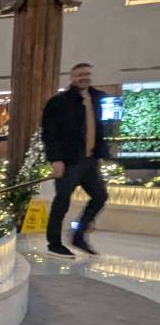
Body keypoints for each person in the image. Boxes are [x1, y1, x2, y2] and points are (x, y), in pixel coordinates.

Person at [41, 61, 110, 257]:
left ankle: (79, 235)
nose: (83, 78)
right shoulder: (58, 102)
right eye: (79, 75)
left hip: (90, 160)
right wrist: (55, 159)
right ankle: (54, 242)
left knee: (100, 196)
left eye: (86, 74)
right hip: (69, 160)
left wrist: (101, 152)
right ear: (71, 78)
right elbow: (49, 134)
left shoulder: (97, 98)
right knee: (62, 201)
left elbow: (99, 128)